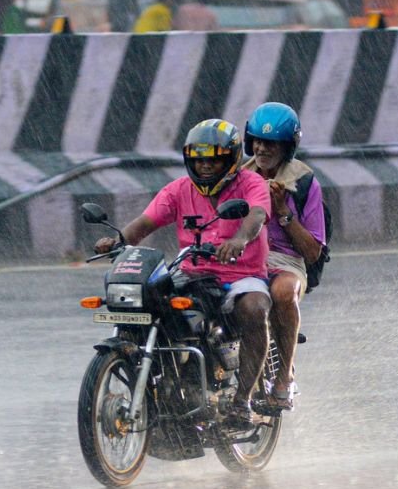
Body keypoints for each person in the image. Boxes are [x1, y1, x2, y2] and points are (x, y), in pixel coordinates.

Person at [93, 119, 272, 426]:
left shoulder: (252, 184)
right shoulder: (178, 190)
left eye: (213, 158)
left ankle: (242, 401)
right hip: (191, 272)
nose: (204, 166)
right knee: (150, 301)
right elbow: (145, 223)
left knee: (254, 309)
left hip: (241, 275)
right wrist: (118, 241)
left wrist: (240, 239)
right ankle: (173, 381)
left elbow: (256, 214)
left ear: (230, 159)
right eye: (198, 159)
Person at [240, 102, 325, 410]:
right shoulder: (238, 178)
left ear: (287, 146)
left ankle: (285, 375)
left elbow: (313, 251)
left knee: (282, 292)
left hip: (285, 260)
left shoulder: (304, 183)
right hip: (244, 258)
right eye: (258, 142)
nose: (262, 149)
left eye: (271, 143)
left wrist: (284, 213)